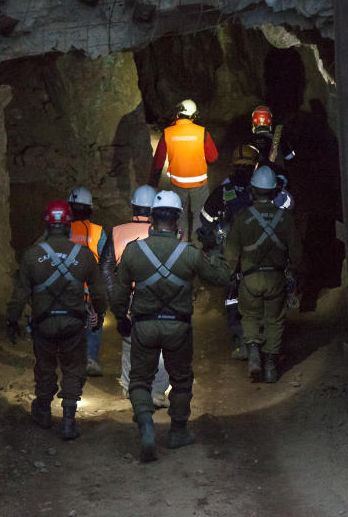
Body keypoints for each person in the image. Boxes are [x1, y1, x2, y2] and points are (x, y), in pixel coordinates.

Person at [111, 190, 230, 462]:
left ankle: (145, 426)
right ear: (177, 221)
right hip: (178, 329)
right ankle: (177, 432)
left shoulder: (134, 252)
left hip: (144, 326)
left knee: (140, 380)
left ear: (152, 218)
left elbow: (118, 296)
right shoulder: (189, 253)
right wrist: (213, 251)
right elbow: (221, 278)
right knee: (181, 380)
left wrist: (121, 319)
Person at [5, 200, 109, 440]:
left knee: (45, 367)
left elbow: (19, 294)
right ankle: (68, 421)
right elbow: (99, 293)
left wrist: (12, 321)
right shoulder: (83, 256)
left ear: (47, 226)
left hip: (44, 323)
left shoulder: (32, 255)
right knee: (73, 368)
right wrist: (99, 314)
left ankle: (42, 411)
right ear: (69, 225)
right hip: (73, 323)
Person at [224, 166, 303, 384]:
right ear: (273, 191)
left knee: (250, 316)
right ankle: (270, 367)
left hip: (249, 278)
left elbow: (231, 251)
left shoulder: (242, 217)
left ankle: (254, 356)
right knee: (274, 320)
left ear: (253, 190)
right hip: (276, 278)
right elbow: (296, 250)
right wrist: (295, 272)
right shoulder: (285, 218)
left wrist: (231, 273)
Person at [197, 144, 260, 360]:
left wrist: (212, 238)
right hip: (258, 255)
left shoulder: (223, 192)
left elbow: (205, 219)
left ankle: (240, 338)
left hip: (231, 257)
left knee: (233, 297)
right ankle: (259, 341)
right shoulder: (262, 190)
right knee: (258, 295)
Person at [112, 185, 170, 408]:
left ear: (134, 206)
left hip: (129, 295)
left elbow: (107, 267)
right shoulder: (164, 232)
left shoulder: (118, 232)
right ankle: (157, 391)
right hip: (158, 295)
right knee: (161, 341)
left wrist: (116, 297)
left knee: (129, 341)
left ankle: (128, 386)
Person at [148, 99, 219, 240]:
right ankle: (199, 247)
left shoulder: (168, 133)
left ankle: (182, 245)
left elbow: (159, 160)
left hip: (177, 183)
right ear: (194, 115)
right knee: (200, 214)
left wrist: (154, 183)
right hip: (199, 183)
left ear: (178, 113)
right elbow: (213, 158)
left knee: (179, 215)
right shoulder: (202, 132)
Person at [67, 187, 115, 377]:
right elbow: (105, 262)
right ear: (90, 209)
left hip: (65, 289)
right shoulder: (98, 232)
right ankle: (89, 358)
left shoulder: (59, 231)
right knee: (95, 320)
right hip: (88, 290)